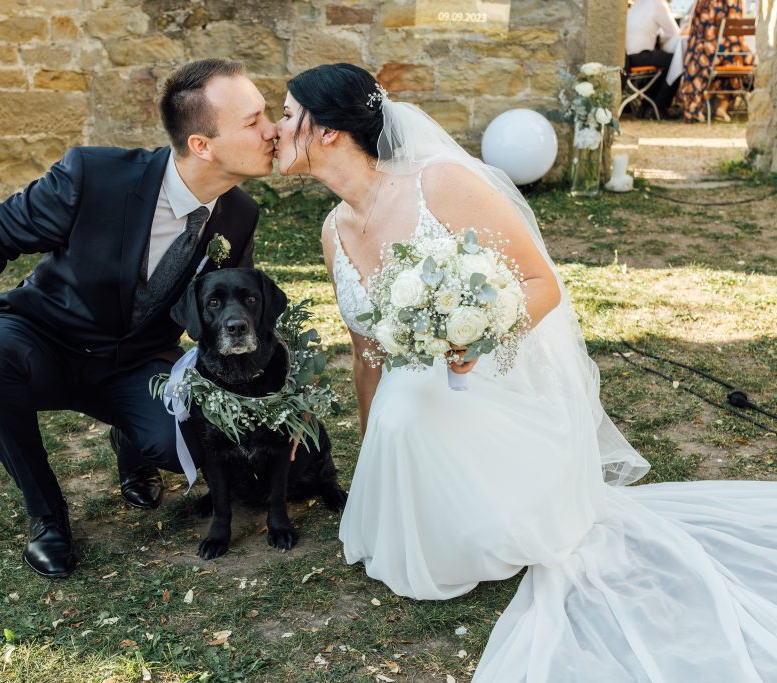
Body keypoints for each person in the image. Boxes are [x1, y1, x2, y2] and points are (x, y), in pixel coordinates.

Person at [275, 63, 777, 681]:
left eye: (287, 114)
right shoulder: (332, 231)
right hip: (409, 408)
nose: (276, 128)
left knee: (412, 410)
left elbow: (541, 284)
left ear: (326, 130)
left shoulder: (440, 184)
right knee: (401, 405)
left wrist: (478, 337)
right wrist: (374, 460)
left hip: (489, 380)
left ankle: (495, 506)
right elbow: (365, 355)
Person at [0, 58, 277, 578]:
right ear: (202, 145)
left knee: (188, 443)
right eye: (253, 122)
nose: (272, 131)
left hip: (139, 362)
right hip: (43, 340)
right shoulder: (93, 175)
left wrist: (267, 396)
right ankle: (47, 515)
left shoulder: (240, 215)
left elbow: (228, 309)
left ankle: (131, 442)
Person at [678, 0, 755, 122]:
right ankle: (721, 108)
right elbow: (738, 29)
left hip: (705, 57)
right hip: (730, 55)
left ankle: (700, 106)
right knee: (740, 58)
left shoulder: (703, 3)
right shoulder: (736, 2)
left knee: (699, 58)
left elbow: (695, 30)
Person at [625, 0, 682, 117]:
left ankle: (648, 106)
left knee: (665, 61)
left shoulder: (638, 4)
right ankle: (660, 106)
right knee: (677, 61)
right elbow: (675, 33)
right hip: (639, 56)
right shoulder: (658, 3)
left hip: (627, 57)